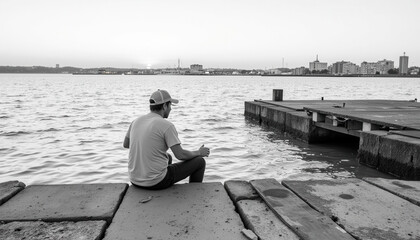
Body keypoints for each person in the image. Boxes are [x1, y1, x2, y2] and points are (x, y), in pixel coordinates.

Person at [123, 89, 210, 190]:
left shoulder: (136, 121)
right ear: (164, 106)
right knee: (199, 162)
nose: (171, 109)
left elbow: (126, 144)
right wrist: (199, 152)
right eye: (170, 106)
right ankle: (195, 192)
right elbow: (180, 155)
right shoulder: (166, 126)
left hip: (135, 181)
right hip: (156, 182)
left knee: (167, 157)